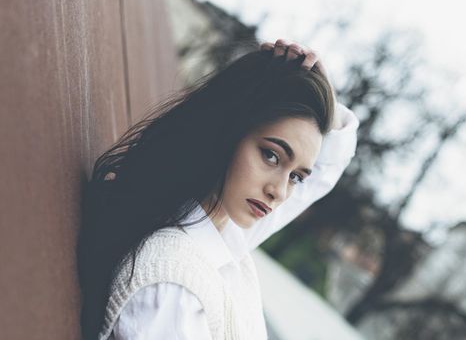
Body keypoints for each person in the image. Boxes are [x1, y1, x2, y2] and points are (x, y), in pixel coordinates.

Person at [76, 38, 360, 340]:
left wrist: (320, 88)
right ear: (227, 131)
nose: (279, 191)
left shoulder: (223, 237)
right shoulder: (174, 284)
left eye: (296, 177)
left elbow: (326, 167)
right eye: (271, 156)